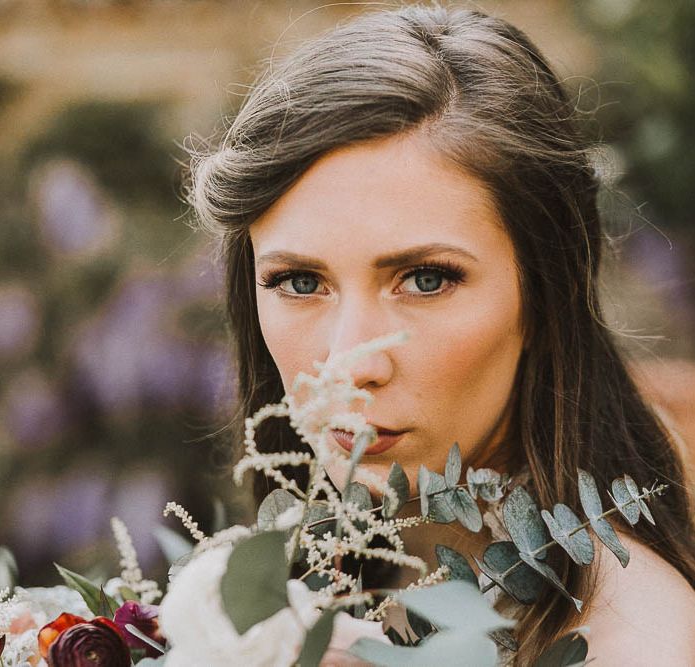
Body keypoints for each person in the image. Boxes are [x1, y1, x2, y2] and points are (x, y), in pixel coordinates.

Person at [186, 5, 695, 664]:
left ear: (545, 291)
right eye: (300, 282)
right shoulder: (299, 600)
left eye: (424, 280)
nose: (347, 362)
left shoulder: (633, 647)